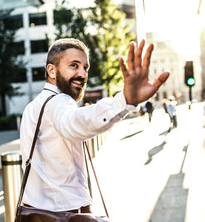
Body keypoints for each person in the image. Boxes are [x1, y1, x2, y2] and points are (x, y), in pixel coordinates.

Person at [19, 38, 169, 214]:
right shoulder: (59, 102)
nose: (83, 74)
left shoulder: (32, 107)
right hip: (66, 213)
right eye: (74, 65)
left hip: (34, 213)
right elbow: (74, 122)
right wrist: (124, 101)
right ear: (51, 70)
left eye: (85, 68)